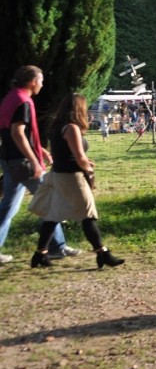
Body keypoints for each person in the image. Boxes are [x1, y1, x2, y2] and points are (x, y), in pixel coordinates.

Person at [27, 94, 125, 269]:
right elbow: (79, 158)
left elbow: (66, 154)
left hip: (58, 175)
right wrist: (89, 168)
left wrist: (86, 162)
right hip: (72, 177)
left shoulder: (57, 127)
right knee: (88, 215)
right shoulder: (71, 128)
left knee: (53, 216)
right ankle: (102, 253)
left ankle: (40, 254)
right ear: (79, 109)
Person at [0, 66, 72, 264]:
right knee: (49, 202)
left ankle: (57, 246)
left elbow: (14, 132)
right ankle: (57, 247)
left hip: (9, 159)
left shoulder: (10, 97)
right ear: (32, 82)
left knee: (8, 207)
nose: (42, 84)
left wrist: (40, 150)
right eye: (40, 80)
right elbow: (18, 133)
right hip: (23, 163)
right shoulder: (23, 101)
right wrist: (34, 161)